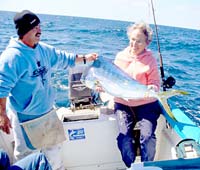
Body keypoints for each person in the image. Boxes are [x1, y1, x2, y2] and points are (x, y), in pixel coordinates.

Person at [0, 10, 98, 169]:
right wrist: (2, 114)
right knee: (26, 155)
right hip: (26, 117)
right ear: (24, 30)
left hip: (47, 112)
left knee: (54, 153)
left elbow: (64, 58)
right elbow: (1, 88)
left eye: (39, 26)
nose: (40, 30)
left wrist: (86, 58)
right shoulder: (11, 57)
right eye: (35, 27)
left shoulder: (43, 49)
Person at [113, 22, 161, 168]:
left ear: (147, 43)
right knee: (124, 138)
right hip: (123, 104)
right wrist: (102, 87)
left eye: (139, 41)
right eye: (132, 39)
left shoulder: (150, 60)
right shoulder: (120, 56)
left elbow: (155, 83)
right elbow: (112, 81)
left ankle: (147, 166)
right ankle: (131, 166)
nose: (134, 44)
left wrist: (152, 87)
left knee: (147, 137)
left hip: (146, 104)